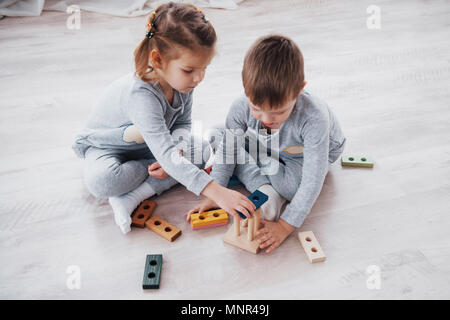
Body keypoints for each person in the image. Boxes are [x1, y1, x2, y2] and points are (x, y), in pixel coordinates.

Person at [72, 2, 255, 234]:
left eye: (204, 68)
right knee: (103, 182)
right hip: (111, 146)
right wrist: (216, 191)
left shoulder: (184, 84)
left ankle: (133, 196)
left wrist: (176, 154)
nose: (199, 78)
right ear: (158, 60)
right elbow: (170, 151)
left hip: (154, 145)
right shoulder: (141, 95)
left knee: (202, 152)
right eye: (189, 70)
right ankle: (136, 184)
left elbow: (182, 124)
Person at [188, 35, 346, 253]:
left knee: (291, 189)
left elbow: (312, 180)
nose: (266, 119)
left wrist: (285, 225)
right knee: (222, 137)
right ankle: (259, 163)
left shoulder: (314, 118)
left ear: (300, 90)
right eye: (256, 108)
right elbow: (227, 151)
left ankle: (259, 167)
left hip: (305, 155)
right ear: (245, 91)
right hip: (273, 145)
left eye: (279, 111)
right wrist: (216, 192)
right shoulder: (241, 107)